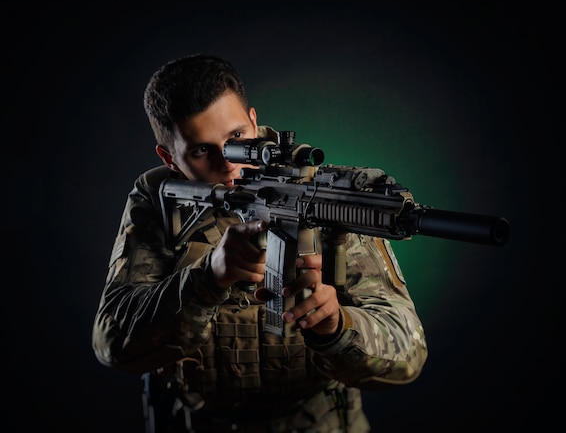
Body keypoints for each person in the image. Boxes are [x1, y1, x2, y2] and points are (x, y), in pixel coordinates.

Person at [92, 53, 428, 433]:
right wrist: (208, 278)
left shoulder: (321, 194)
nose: (231, 164)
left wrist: (338, 326)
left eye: (237, 138)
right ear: (169, 157)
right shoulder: (158, 198)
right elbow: (113, 343)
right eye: (202, 150)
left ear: (254, 121)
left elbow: (408, 353)